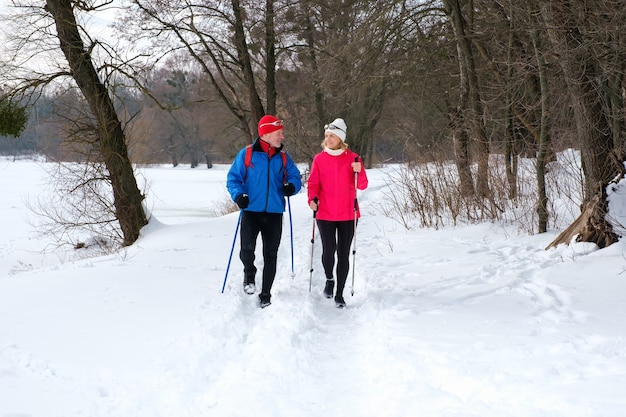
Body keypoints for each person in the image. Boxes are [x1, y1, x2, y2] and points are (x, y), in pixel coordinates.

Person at [227, 115, 302, 308]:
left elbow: (295, 176)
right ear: (267, 134)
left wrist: (291, 187)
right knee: (247, 249)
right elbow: (233, 179)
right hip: (251, 210)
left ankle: (266, 293)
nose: (282, 136)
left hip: (274, 213)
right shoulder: (247, 154)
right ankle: (249, 275)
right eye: (279, 133)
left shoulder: (283, 157)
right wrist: (238, 196)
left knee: (271, 254)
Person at [307, 118, 368, 308]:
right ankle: (329, 279)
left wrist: (360, 171)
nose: (328, 139)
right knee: (328, 251)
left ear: (341, 138)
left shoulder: (354, 158)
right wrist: (312, 199)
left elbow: (363, 185)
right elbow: (313, 184)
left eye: (332, 135)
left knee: (343, 254)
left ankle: (339, 293)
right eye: (326, 136)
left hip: (348, 214)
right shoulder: (319, 159)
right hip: (324, 213)